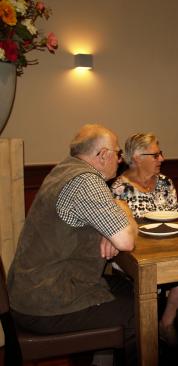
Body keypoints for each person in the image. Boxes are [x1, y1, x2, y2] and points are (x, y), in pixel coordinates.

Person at [7, 124, 138, 365]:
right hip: (46, 302)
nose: (120, 160)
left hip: (29, 290)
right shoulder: (86, 181)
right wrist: (124, 208)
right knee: (141, 312)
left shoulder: (64, 170)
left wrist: (110, 227)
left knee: (128, 288)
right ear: (102, 155)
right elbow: (127, 240)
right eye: (117, 153)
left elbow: (107, 228)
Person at [111, 133, 178, 347]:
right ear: (137, 158)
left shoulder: (165, 183)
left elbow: (177, 218)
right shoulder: (120, 188)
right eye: (156, 155)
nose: (162, 159)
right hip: (135, 254)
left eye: (161, 154)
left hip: (168, 248)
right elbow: (120, 233)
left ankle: (166, 322)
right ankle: (147, 339)